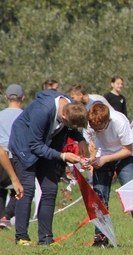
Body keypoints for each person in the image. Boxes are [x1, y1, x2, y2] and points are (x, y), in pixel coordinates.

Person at [9, 90, 88, 245]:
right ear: (63, 117)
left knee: (50, 189)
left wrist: (81, 139)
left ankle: (46, 238)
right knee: (27, 189)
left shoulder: (70, 106)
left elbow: (71, 128)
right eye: (69, 124)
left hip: (46, 146)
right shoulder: (42, 111)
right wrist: (63, 156)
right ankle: (22, 237)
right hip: (25, 146)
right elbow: (35, 145)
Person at [84, 104, 133, 250]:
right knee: (99, 198)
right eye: (94, 128)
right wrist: (91, 161)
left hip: (124, 157)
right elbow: (92, 145)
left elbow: (128, 150)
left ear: (108, 121)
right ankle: (101, 237)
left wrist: (105, 159)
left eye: (99, 128)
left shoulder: (119, 122)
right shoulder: (90, 123)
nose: (96, 130)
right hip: (102, 156)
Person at [0, 84, 25, 227]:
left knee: (0, 189)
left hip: (0, 154)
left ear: (6, 97)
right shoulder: (25, 115)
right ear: (23, 98)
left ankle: (2, 215)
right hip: (16, 155)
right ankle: (6, 216)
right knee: (20, 187)